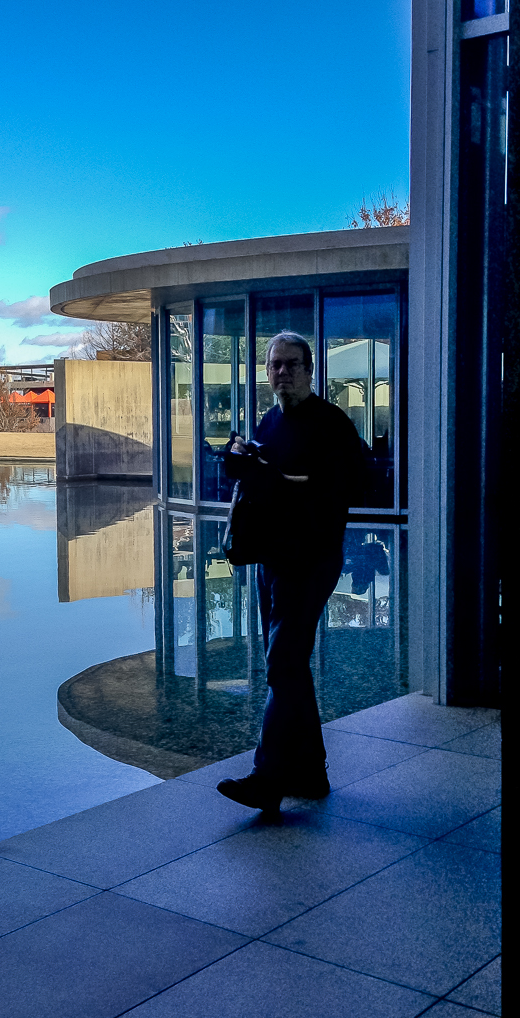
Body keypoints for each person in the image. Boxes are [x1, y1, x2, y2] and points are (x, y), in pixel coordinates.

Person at [217, 331, 365, 815]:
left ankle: (267, 779)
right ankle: (312, 773)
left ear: (309, 369)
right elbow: (268, 484)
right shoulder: (269, 420)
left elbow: (355, 481)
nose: (282, 372)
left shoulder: (331, 423)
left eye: (291, 364)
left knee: (282, 665)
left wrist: (282, 481)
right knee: (289, 667)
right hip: (274, 559)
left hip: (312, 559)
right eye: (275, 365)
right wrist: (242, 465)